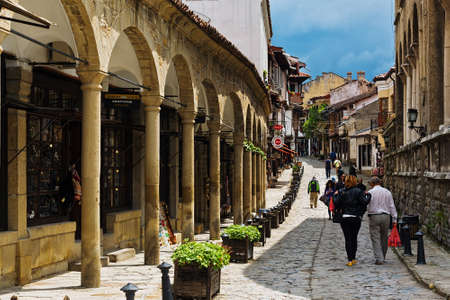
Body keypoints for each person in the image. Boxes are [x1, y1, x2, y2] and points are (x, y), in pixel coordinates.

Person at [333, 175, 371, 266]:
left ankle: (349, 260)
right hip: (356, 217)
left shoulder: (341, 191)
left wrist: (335, 196)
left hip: (345, 217)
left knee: (348, 239)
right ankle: (353, 258)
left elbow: (336, 203)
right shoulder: (359, 191)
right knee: (354, 238)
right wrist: (369, 195)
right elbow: (365, 202)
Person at [367, 177, 398, 265]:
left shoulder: (370, 192)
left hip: (374, 216)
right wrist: (394, 218)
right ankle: (383, 256)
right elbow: (392, 205)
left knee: (375, 237)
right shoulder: (387, 192)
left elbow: (367, 205)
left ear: (373, 184)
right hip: (386, 216)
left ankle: (379, 258)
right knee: (384, 237)